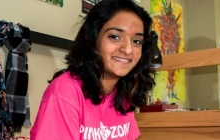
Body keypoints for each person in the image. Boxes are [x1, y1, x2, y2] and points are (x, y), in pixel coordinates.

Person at [30, 0, 157, 139]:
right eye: (115, 37)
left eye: (136, 41)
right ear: (93, 38)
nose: (127, 49)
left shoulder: (124, 92)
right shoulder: (65, 92)